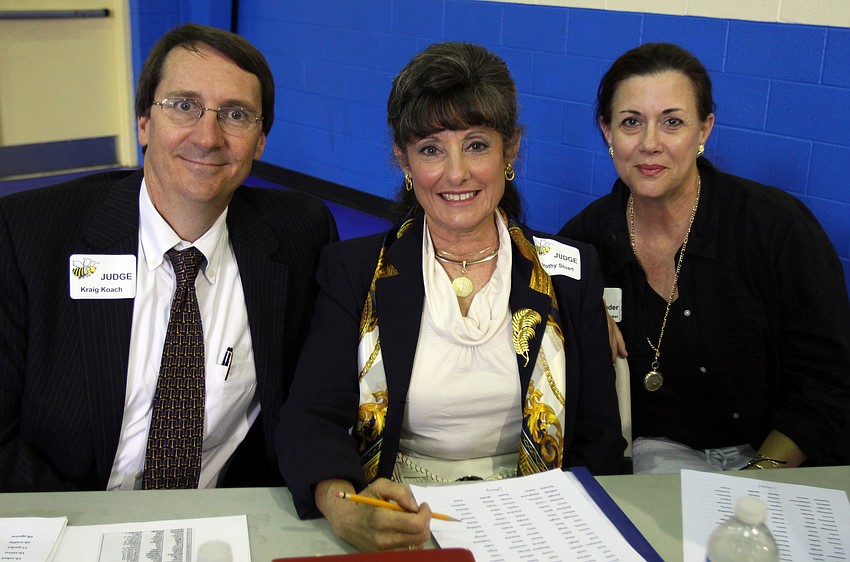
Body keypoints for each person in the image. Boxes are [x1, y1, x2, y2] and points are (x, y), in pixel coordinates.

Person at [276, 41, 624, 551]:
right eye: (431, 149)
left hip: (533, 520)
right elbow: (311, 417)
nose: (456, 173)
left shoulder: (570, 272)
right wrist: (344, 508)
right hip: (397, 516)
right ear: (404, 160)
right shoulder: (353, 271)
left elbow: (599, 439)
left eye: (477, 144)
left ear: (512, 150)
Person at [0, 23, 338, 491]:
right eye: (184, 106)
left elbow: (316, 401)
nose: (207, 137)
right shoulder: (29, 236)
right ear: (144, 122)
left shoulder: (302, 233)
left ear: (260, 141)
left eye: (236, 115)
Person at [560, 42, 850, 474]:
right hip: (654, 454)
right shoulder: (585, 243)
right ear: (607, 132)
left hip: (778, 455)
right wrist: (569, 306)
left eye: (672, 122)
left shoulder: (775, 227)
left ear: (704, 130)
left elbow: (827, 380)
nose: (650, 144)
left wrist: (759, 478)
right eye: (631, 123)